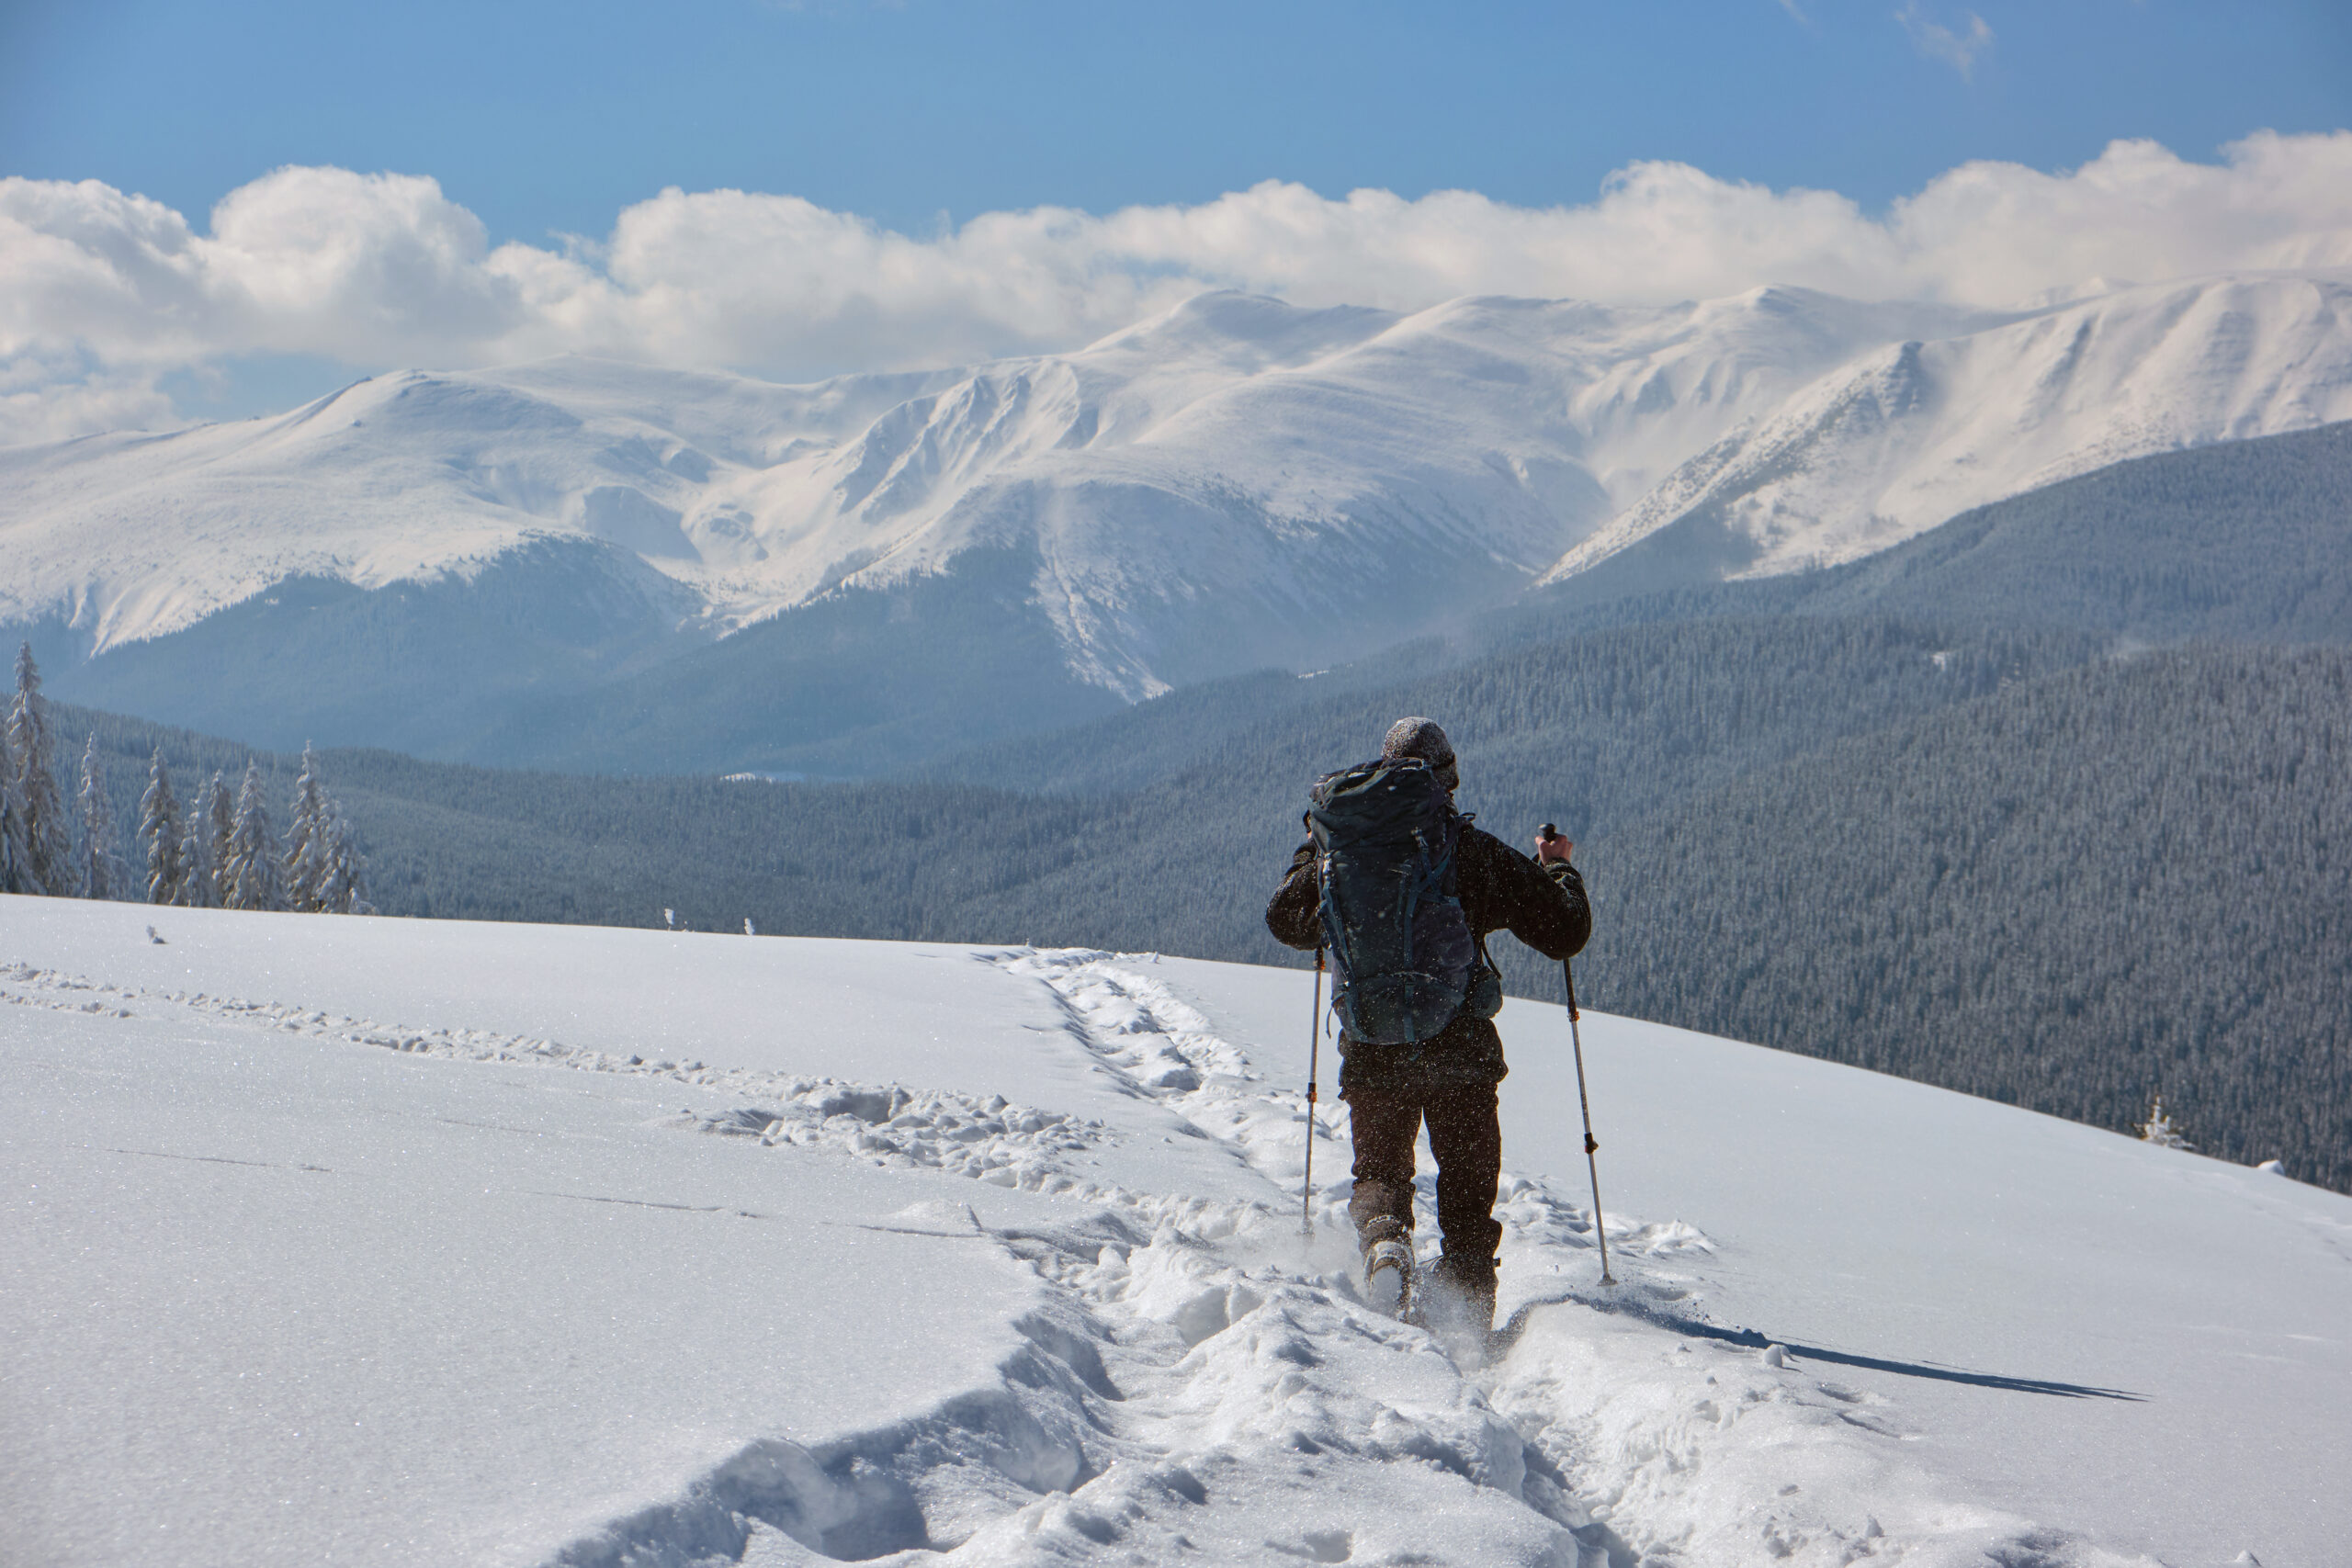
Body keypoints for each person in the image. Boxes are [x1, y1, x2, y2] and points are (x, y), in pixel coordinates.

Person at [1264, 716, 1589, 1337]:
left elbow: (1286, 918)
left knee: (1382, 1174)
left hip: (1374, 1051)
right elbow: (1564, 930)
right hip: (1461, 1055)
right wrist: (1558, 869)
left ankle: (1386, 1244)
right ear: (1448, 781)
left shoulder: (1348, 856)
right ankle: (1465, 1315)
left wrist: (1317, 852)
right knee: (1468, 1200)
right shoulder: (1470, 853)